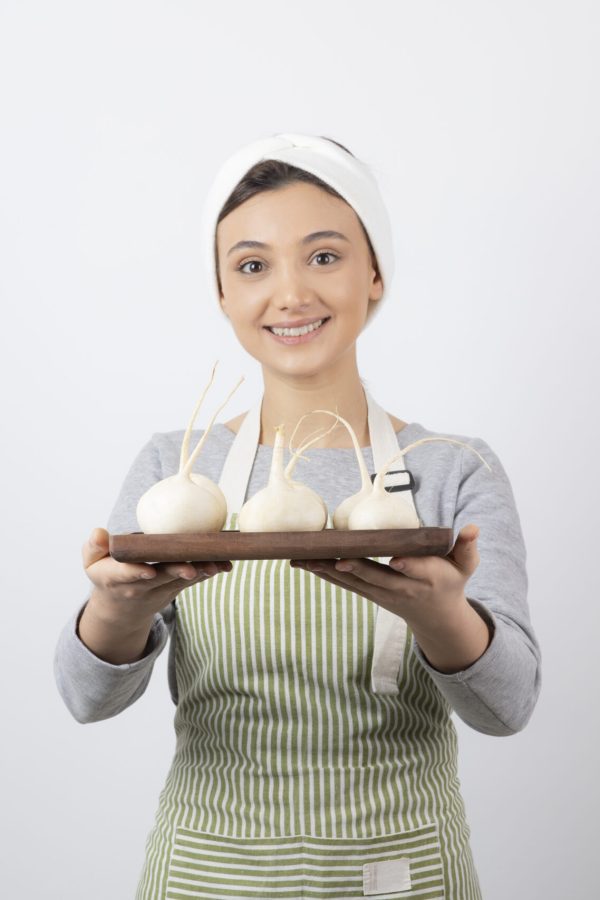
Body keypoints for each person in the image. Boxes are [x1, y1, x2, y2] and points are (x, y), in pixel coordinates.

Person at [54, 132, 541, 900]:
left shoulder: (453, 466)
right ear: (222, 293)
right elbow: (87, 698)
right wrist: (114, 610)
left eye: (324, 256)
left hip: (399, 872)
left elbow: (509, 707)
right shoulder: (172, 470)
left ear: (374, 273)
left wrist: (445, 616)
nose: (290, 294)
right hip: (207, 874)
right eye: (252, 265)